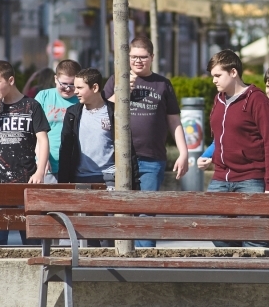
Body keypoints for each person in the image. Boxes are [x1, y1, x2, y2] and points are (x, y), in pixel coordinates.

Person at [103, 37, 189, 248]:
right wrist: (121, 93)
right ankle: (119, 258)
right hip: (119, 159)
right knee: (118, 211)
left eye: (143, 57)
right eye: (133, 57)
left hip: (151, 159)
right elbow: (103, 113)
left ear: (152, 57)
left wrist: (184, 153)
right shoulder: (116, 80)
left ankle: (144, 261)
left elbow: (174, 120)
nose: (138, 61)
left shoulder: (162, 84)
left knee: (146, 212)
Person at [206, 50, 269, 248]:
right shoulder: (219, 99)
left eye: (217, 75)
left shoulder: (256, 99)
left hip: (251, 178)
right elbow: (221, 136)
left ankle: (258, 279)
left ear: (233, 72)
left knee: (256, 240)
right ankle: (235, 277)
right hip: (220, 178)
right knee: (217, 233)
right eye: (212, 76)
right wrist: (210, 156)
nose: (213, 80)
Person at [0, 61, 50, 245]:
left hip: (26, 179)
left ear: (11, 80)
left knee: (31, 239)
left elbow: (43, 139)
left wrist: (39, 171)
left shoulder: (31, 106)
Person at [58, 68, 139, 187]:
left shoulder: (115, 112)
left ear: (95, 87)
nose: (75, 91)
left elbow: (128, 150)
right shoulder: (72, 113)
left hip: (111, 179)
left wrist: (135, 183)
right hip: (81, 179)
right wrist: (63, 185)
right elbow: (65, 150)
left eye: (80, 88)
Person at [36, 60, 82, 183]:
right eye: (64, 84)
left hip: (76, 165)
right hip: (48, 164)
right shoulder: (43, 96)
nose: (67, 88)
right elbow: (34, 133)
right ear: (56, 79)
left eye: (72, 84)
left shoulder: (81, 98)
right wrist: (42, 160)